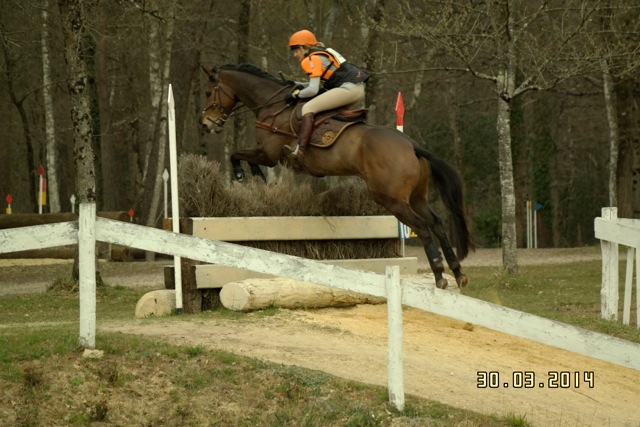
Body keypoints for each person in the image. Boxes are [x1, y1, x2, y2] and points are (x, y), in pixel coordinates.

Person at [284, 29, 369, 163]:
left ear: (304, 47)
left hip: (348, 89)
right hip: (355, 88)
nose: (295, 54)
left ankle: (300, 150)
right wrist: (295, 83)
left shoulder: (311, 59)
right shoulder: (322, 53)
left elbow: (313, 89)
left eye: (296, 50)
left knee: (308, 108)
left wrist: (295, 95)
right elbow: (316, 84)